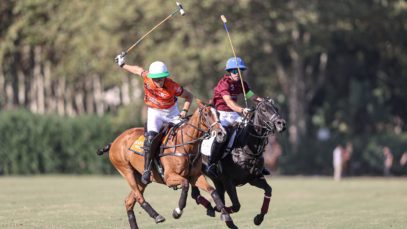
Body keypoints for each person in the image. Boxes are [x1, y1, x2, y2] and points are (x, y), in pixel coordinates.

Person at [115, 53, 193, 184]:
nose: (158, 81)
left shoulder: (172, 86)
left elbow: (189, 96)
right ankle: (147, 169)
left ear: (165, 77)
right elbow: (137, 70)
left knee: (187, 135)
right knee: (150, 139)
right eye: (155, 79)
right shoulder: (147, 78)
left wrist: (184, 112)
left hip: (172, 112)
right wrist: (122, 64)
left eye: (160, 79)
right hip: (155, 112)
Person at [206, 57, 264, 177]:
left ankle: (256, 163)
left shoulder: (242, 84)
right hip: (221, 114)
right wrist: (242, 110)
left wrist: (264, 102)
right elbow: (229, 102)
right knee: (222, 136)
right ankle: (212, 164)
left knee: (252, 130)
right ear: (229, 71)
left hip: (233, 114)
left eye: (239, 71)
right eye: (234, 71)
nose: (237, 73)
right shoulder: (224, 84)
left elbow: (252, 97)